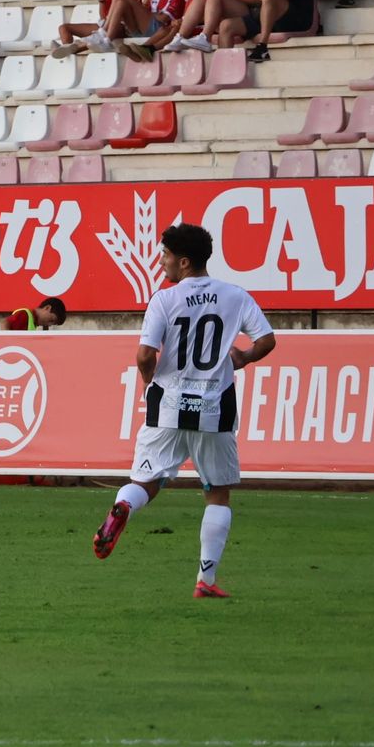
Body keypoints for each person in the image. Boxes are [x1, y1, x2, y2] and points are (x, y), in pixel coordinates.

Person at [92, 223, 276, 601]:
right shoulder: (235, 296)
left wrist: (149, 383)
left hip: (169, 404)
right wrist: (242, 357)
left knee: (147, 482)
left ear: (185, 261)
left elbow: (145, 354)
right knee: (218, 493)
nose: (162, 262)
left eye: (166, 256)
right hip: (215, 405)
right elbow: (267, 340)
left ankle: (123, 505)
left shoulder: (165, 299)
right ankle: (205, 579)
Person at [115, 0, 187, 62]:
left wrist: (147, 13)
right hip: (145, 29)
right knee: (121, 3)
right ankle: (107, 33)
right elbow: (142, 12)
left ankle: (105, 34)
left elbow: (163, 18)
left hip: (160, 28)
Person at [2, 297, 67, 331]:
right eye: (51, 320)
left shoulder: (33, 323)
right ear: (47, 308)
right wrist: (7, 342)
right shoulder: (25, 315)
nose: (49, 325)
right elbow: (5, 323)